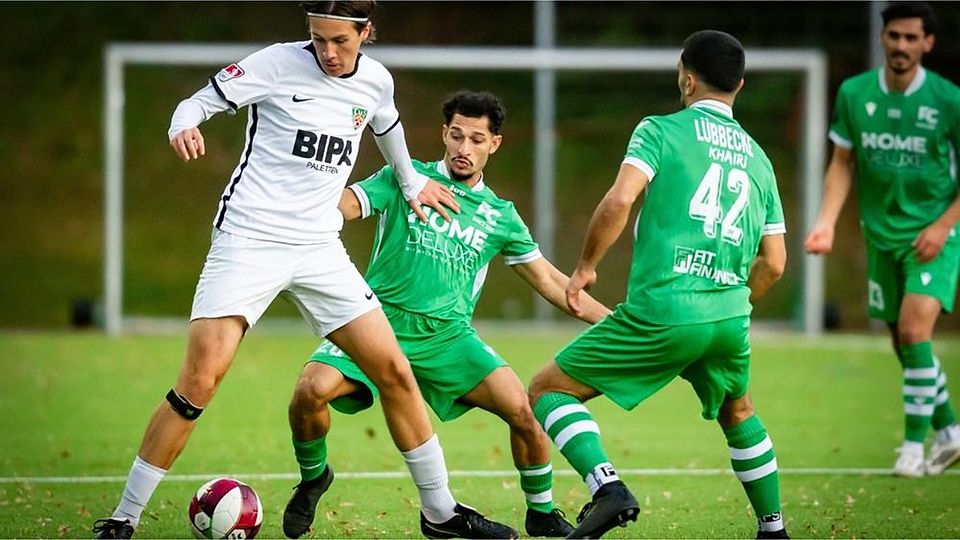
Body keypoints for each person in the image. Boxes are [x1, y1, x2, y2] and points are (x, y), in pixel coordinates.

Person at [91, 2, 512, 538]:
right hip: (249, 241)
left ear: (365, 33)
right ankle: (123, 519)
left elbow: (388, 126)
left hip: (319, 247)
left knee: (395, 372)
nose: (328, 52)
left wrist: (409, 182)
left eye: (340, 40)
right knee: (200, 380)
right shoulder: (275, 64)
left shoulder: (376, 82)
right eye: (318, 39)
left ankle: (441, 514)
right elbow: (197, 103)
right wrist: (183, 123)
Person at [283, 90, 611, 539]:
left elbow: (555, 284)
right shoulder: (407, 177)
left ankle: (541, 511)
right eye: (456, 135)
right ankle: (313, 477)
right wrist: (303, 198)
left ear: (494, 144)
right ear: (444, 133)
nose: (463, 148)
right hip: (376, 323)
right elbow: (344, 206)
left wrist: (619, 326)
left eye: (477, 139)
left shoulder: (500, 215)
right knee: (309, 391)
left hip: (448, 338)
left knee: (525, 412)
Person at [527, 30, 789, 539]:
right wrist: (729, 302)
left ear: (687, 78)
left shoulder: (661, 130)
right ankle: (773, 529)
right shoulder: (759, 159)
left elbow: (620, 201)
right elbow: (774, 262)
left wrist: (585, 268)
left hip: (665, 310)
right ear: (738, 84)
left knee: (547, 389)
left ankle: (607, 487)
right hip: (728, 317)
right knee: (739, 410)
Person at [804, 1, 960, 478]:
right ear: (882, 39)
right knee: (903, 342)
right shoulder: (854, 93)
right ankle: (951, 431)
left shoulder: (948, 99)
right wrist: (827, 220)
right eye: (894, 36)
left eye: (912, 38)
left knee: (915, 332)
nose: (901, 46)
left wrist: (942, 226)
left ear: (927, 44)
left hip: (936, 235)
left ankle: (913, 448)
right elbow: (842, 162)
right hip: (881, 236)